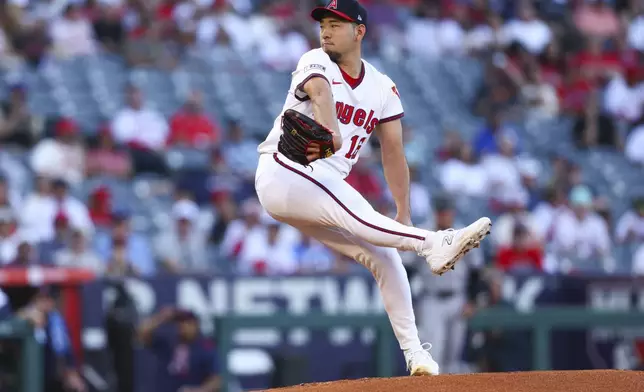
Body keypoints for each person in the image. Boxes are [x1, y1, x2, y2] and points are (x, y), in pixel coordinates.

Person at [254, 0, 491, 376]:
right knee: (359, 214)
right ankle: (432, 244)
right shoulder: (315, 59)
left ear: (359, 31)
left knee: (385, 258)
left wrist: (404, 213)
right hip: (284, 170)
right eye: (323, 23)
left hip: (321, 185)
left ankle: (415, 354)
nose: (326, 30)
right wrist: (330, 130)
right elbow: (320, 93)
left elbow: (393, 151)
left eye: (336, 23)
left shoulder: (382, 87)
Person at [414, 196, 484, 374]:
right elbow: (407, 269)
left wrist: (472, 300)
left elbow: (476, 271)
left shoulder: (465, 233)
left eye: (448, 212)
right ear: (436, 212)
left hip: (457, 299)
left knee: (453, 357)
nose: (445, 215)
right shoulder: (423, 233)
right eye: (441, 212)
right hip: (431, 300)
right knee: (433, 354)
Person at [138, 308, 221, 392]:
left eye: (187, 322)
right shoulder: (169, 343)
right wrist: (161, 318)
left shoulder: (205, 347)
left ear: (196, 325)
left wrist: (198, 390)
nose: (183, 326)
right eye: (180, 323)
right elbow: (143, 333)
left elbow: (216, 381)